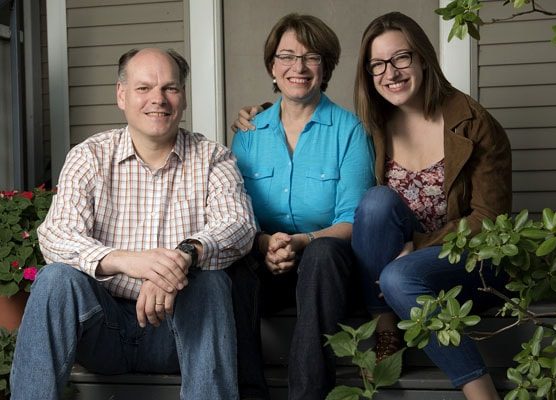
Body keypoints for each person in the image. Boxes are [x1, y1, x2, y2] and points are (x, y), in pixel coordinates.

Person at [233, 11, 511, 400]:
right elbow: (240, 212)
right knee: (377, 203)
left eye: (401, 58)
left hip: (455, 257)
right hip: (382, 260)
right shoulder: (377, 123)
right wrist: (261, 112)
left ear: (423, 59)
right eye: (378, 64)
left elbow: (489, 220)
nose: (391, 72)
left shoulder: (469, 125)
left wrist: (417, 249)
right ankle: (381, 326)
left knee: (386, 266)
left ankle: (472, 386)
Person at [10, 48, 256, 400]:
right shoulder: (90, 155)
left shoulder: (212, 157)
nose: (158, 99)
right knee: (55, 279)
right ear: (121, 95)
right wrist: (130, 261)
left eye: (170, 88)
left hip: (176, 330)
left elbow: (239, 224)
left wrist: (181, 258)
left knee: (211, 284)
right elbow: (56, 235)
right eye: (144, 88)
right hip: (102, 331)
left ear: (183, 97)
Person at [226, 13, 375, 400]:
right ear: (272, 67)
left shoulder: (348, 131)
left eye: (311, 57)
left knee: (324, 253)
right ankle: (248, 392)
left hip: (327, 269)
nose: (299, 67)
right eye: (287, 56)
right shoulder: (248, 134)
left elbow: (352, 220)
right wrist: (264, 245)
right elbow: (234, 215)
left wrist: (302, 241)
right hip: (266, 263)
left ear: (324, 68)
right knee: (231, 268)